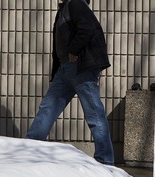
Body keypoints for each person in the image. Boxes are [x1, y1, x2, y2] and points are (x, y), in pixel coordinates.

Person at [26, 0, 114, 165]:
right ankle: (29, 149)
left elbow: (87, 27)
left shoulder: (75, 3)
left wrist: (74, 51)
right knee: (48, 107)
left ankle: (105, 160)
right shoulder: (66, 8)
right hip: (66, 69)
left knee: (94, 113)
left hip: (79, 67)